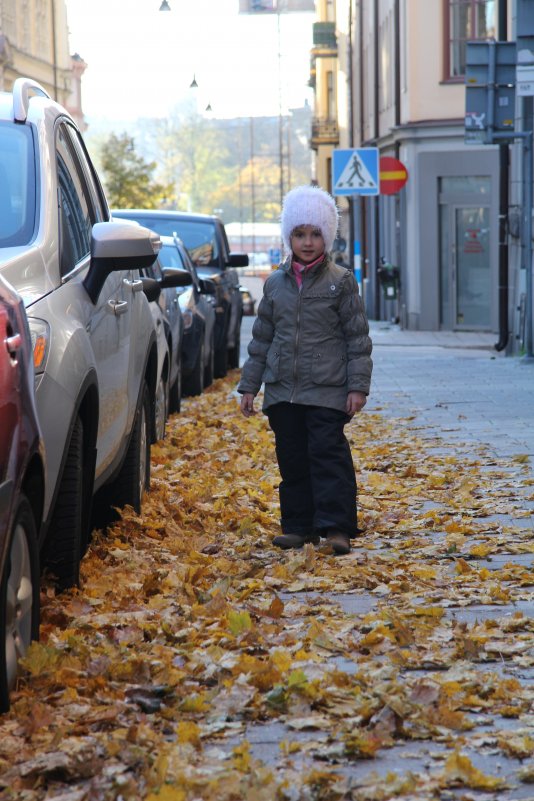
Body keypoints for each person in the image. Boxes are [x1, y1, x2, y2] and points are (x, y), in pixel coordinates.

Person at [238, 185, 373, 555]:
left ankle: (336, 528)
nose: (308, 242)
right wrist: (249, 386)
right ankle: (299, 526)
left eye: (315, 234)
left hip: (327, 390)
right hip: (283, 390)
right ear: (289, 237)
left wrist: (357, 387)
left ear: (326, 237)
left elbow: (357, 339)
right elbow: (261, 340)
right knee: (293, 459)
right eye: (300, 234)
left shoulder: (340, 282)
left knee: (328, 457)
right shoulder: (275, 284)